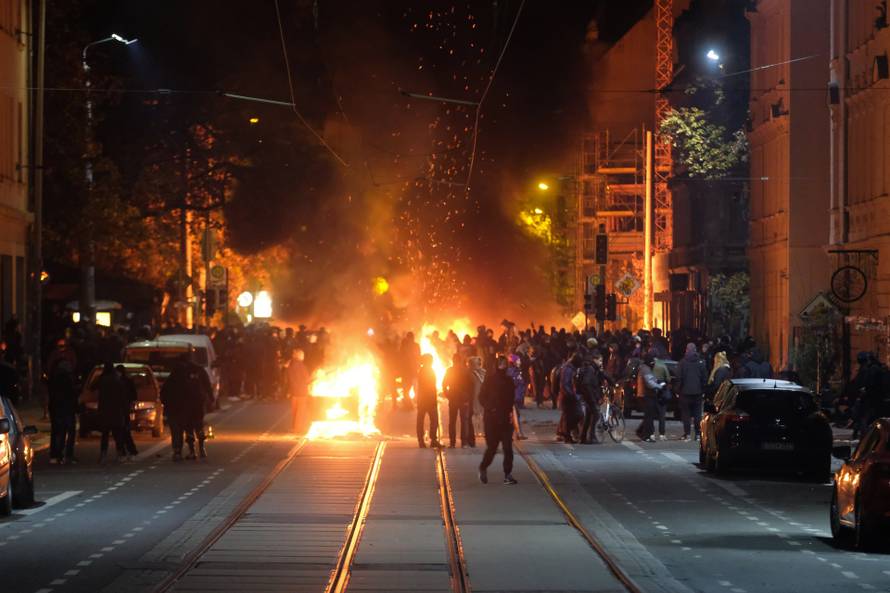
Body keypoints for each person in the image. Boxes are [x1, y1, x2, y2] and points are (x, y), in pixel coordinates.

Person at [162, 352, 212, 461]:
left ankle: (190, 451)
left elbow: (167, 388)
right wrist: (210, 398)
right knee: (198, 425)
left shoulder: (178, 371)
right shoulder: (199, 370)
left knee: (187, 427)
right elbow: (207, 384)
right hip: (198, 402)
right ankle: (202, 449)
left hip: (183, 404)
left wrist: (166, 403)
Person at [478, 355, 518, 485]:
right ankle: (483, 467)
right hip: (492, 420)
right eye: (501, 364)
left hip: (505, 419)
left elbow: (512, 399)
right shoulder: (489, 380)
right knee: (492, 448)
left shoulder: (509, 381)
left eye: (505, 364)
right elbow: (481, 397)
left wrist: (510, 415)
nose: (503, 366)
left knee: (508, 448)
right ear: (497, 365)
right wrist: (491, 408)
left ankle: (508, 474)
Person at [96, 362, 128, 463]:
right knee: (117, 434)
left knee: (105, 434)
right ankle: (119, 454)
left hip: (105, 410)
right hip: (116, 410)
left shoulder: (102, 380)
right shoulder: (117, 381)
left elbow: (93, 388)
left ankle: (103, 455)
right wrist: (125, 410)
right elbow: (123, 397)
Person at [47, 360, 78, 464]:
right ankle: (67, 454)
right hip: (66, 409)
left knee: (58, 432)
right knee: (70, 431)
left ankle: (56, 454)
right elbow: (71, 395)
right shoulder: (67, 379)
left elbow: (51, 395)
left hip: (57, 409)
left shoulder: (54, 379)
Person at [677, 343, 708, 441]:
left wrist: (678, 390)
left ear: (686, 350)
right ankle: (698, 434)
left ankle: (687, 434)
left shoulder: (682, 362)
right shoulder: (701, 362)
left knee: (686, 414)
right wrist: (703, 390)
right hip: (698, 392)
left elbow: (679, 378)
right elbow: (704, 378)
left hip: (685, 392)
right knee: (697, 414)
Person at [636, 350, 666, 442]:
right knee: (649, 416)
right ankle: (646, 435)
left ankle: (643, 432)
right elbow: (649, 383)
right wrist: (659, 386)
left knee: (649, 415)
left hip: (646, 394)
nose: (653, 363)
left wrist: (656, 382)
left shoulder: (645, 368)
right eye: (652, 361)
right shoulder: (645, 369)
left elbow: (651, 379)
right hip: (646, 395)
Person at [443, 354, 471, 448]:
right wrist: (468, 397)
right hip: (463, 399)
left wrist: (448, 395)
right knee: (464, 421)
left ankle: (452, 443)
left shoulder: (449, 370)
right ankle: (464, 442)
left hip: (453, 398)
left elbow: (444, 384)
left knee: (452, 421)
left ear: (453, 360)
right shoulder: (466, 371)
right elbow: (470, 385)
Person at [415, 353, 439, 448]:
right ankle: (432, 440)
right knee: (433, 420)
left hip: (423, 399)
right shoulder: (427, 371)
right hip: (428, 399)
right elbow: (430, 387)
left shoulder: (422, 371)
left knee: (421, 420)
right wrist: (433, 399)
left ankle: (421, 441)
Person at [116, 365, 139, 459]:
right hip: (124, 409)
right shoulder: (126, 381)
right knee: (124, 430)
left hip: (121, 410)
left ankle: (126, 450)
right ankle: (129, 450)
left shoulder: (120, 382)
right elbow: (134, 395)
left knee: (122, 431)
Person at [287, 348, 311, 434]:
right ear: (300, 356)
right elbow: (307, 379)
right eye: (303, 355)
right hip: (302, 392)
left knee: (295, 411)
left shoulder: (290, 365)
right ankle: (298, 429)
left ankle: (294, 427)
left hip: (293, 392)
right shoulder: (302, 367)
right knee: (300, 412)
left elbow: (287, 378)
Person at [506, 354, 527, 440]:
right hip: (512, 398)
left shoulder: (516, 371)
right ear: (513, 362)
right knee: (513, 416)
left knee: (515, 415)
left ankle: (516, 434)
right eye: (518, 361)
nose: (519, 362)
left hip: (515, 398)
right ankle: (516, 434)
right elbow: (513, 385)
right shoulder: (512, 372)